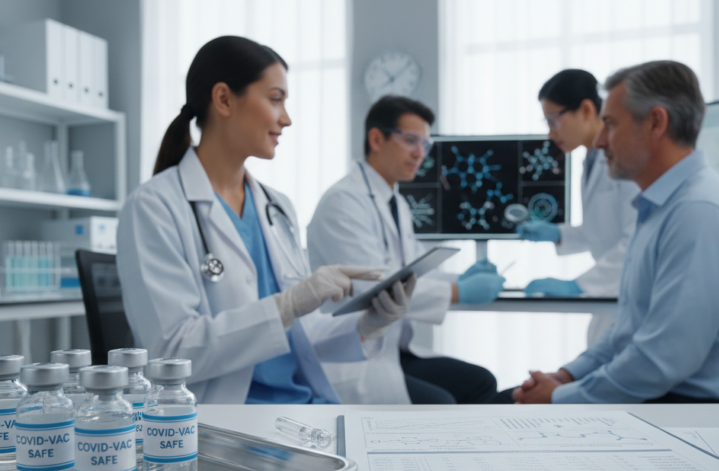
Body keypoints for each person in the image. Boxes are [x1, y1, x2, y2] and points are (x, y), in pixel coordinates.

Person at [117, 36, 415, 404]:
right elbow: (173, 351)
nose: (286, 119)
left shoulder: (277, 207)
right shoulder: (155, 207)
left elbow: (300, 336)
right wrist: (287, 304)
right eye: (275, 100)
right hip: (231, 422)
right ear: (224, 99)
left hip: (305, 408)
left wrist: (368, 324)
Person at [514, 60, 719, 405]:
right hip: (665, 396)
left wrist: (560, 396)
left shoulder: (699, 212)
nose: (601, 141)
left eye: (610, 124)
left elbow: (661, 360)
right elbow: (629, 328)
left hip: (691, 409)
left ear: (655, 122)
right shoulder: (661, 209)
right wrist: (567, 374)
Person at [308, 95, 508, 405]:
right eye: (411, 140)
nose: (420, 153)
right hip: (351, 354)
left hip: (392, 350)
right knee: (442, 403)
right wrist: (458, 291)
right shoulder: (343, 202)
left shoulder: (396, 202)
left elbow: (412, 271)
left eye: (425, 145)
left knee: (481, 382)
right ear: (377, 138)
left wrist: (459, 278)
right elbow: (375, 285)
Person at [519, 69, 639, 343]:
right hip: (611, 292)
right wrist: (559, 234)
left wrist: (579, 285)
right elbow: (601, 230)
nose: (550, 133)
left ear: (586, 109)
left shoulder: (626, 159)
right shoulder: (592, 161)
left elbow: (636, 240)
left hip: (626, 292)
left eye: (554, 120)